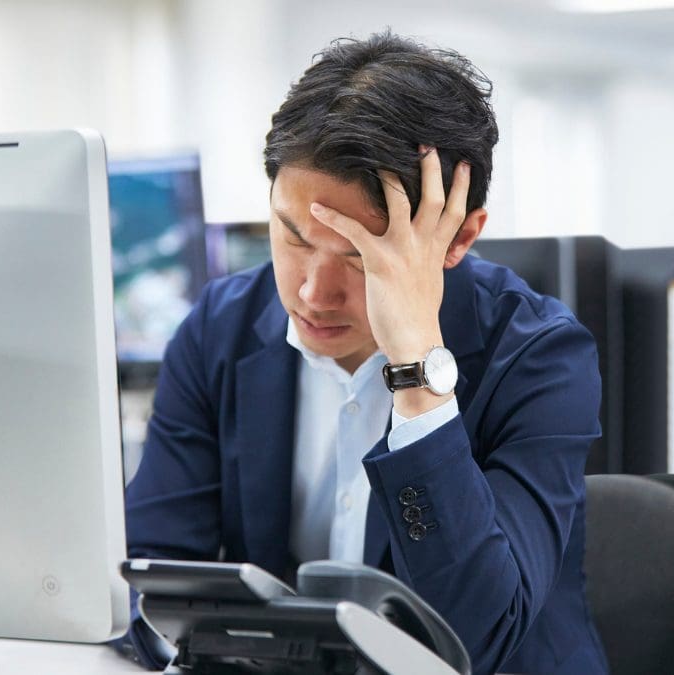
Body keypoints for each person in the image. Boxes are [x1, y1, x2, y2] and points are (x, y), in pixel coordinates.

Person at [122, 31, 607, 674]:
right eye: (293, 238)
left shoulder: (541, 357)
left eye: (360, 256)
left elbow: (477, 638)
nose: (313, 292)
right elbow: (149, 579)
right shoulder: (221, 328)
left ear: (457, 238)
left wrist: (417, 376)